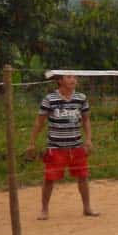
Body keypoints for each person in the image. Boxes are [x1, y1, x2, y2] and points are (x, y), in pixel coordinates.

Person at [25, 74, 98, 220]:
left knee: (83, 177)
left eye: (74, 77)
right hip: (55, 147)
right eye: (69, 77)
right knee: (49, 178)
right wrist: (32, 142)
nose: (73, 80)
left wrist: (88, 139)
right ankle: (44, 210)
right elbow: (39, 122)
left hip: (76, 146)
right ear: (60, 81)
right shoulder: (49, 99)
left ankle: (87, 208)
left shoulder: (81, 98)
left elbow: (86, 120)